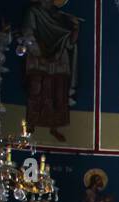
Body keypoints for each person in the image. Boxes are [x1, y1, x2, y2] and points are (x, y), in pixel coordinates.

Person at [22, 0, 80, 142]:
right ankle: (30, 124)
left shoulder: (59, 15)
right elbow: (28, 33)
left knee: (58, 92)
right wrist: (38, 52)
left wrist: (75, 28)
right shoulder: (33, 12)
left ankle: (55, 127)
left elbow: (68, 42)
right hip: (38, 58)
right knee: (37, 89)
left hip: (58, 58)